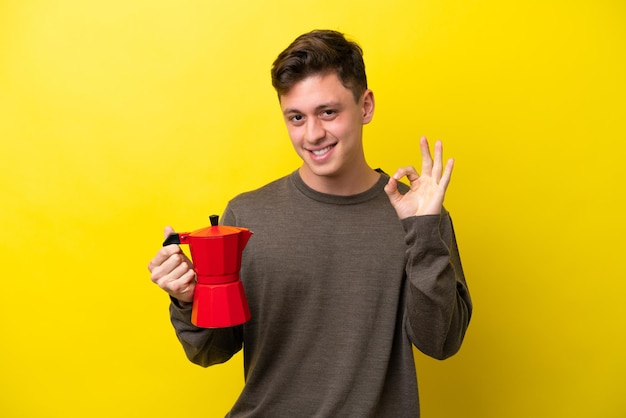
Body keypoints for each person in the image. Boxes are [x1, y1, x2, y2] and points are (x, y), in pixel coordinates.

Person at [148, 29, 472, 417]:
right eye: (296, 118)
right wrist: (187, 299)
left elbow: (441, 341)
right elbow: (210, 351)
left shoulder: (419, 214)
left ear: (365, 106)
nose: (313, 134)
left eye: (328, 112)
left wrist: (424, 233)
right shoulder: (247, 217)